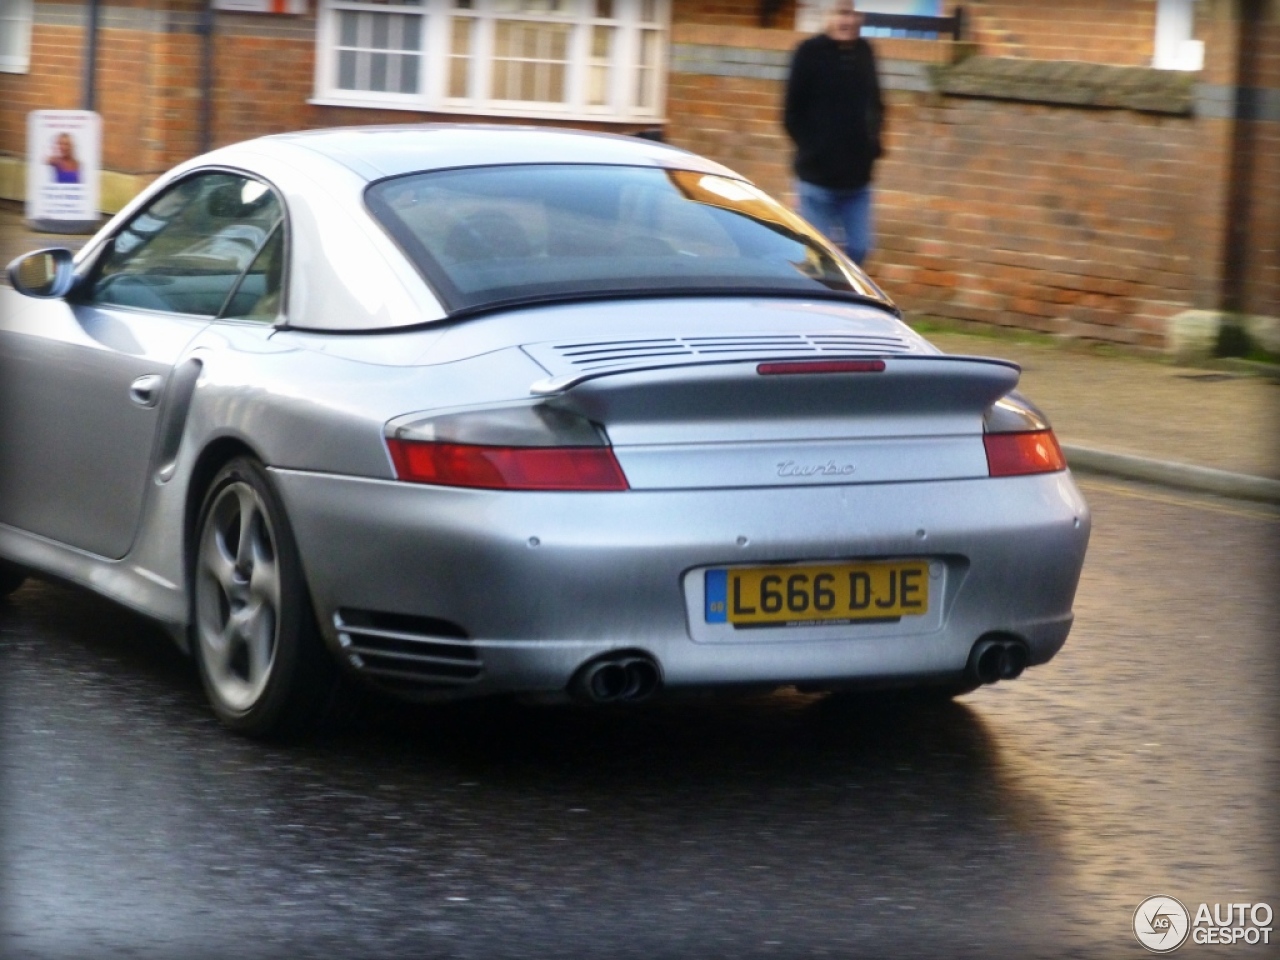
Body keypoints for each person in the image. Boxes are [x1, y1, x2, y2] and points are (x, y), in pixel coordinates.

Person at [783, 0, 885, 265]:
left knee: (859, 249)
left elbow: (876, 104)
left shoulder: (865, 52)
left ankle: (841, 302)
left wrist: (872, 147)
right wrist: (813, 150)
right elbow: (791, 113)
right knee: (818, 258)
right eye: (841, 13)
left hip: (857, 183)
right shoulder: (808, 53)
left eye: (852, 13)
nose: (847, 21)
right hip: (817, 182)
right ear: (826, 16)